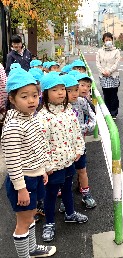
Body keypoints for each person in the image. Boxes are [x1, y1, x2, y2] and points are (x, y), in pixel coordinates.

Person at [1, 66, 56, 257]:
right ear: (12, 99)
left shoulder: (30, 117)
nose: (31, 100)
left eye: (34, 95)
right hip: (22, 181)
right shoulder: (14, 126)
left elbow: (35, 147)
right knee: (23, 222)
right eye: (24, 96)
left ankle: (32, 249)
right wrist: (21, 188)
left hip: (34, 176)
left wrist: (42, 170)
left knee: (31, 214)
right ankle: (25, 254)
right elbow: (13, 161)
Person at [38, 72, 88, 242]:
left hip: (69, 160)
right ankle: (49, 223)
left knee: (67, 187)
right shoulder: (43, 117)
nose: (60, 93)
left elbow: (76, 133)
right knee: (51, 194)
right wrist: (47, 166)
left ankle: (70, 212)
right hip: (53, 166)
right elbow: (41, 145)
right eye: (54, 90)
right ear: (45, 93)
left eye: (62, 89)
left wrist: (79, 149)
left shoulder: (68, 111)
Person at [62, 73, 97, 209]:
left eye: (76, 89)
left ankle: (86, 194)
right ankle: (66, 198)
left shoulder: (82, 102)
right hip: (64, 147)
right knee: (67, 173)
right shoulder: (60, 106)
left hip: (79, 144)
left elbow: (93, 117)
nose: (75, 93)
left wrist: (84, 127)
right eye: (69, 90)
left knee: (82, 170)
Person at [96, 32, 121, 119]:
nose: (108, 41)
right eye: (106, 40)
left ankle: (114, 112)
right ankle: (107, 111)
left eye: (109, 39)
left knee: (113, 94)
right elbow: (98, 63)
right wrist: (103, 71)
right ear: (103, 41)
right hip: (103, 76)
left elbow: (116, 63)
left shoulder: (116, 51)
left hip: (113, 75)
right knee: (106, 94)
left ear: (112, 40)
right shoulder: (99, 51)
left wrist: (109, 71)